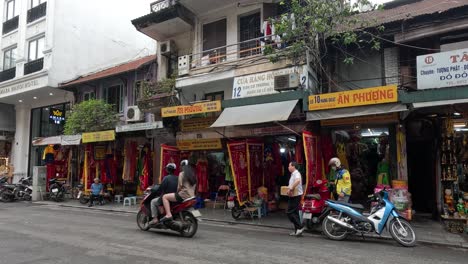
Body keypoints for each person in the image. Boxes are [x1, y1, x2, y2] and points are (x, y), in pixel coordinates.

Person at [287, 161, 305, 237]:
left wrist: (291, 188)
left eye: (289, 166)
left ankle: (300, 227)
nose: (288, 167)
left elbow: (297, 181)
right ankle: (297, 230)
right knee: (295, 213)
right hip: (293, 195)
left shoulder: (296, 173)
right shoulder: (293, 174)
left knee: (289, 212)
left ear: (293, 166)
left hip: (296, 196)